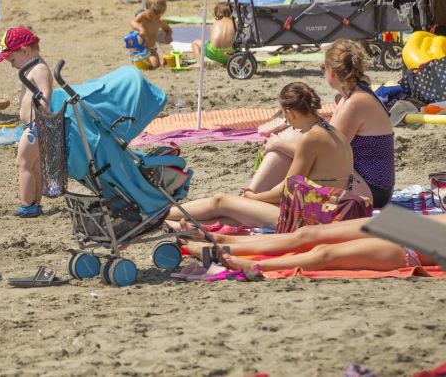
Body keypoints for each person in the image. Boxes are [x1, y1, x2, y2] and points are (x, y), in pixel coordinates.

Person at [165, 82, 356, 231]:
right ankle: (172, 223)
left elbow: (286, 190)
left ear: (290, 112)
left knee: (221, 201)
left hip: (312, 218)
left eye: (284, 115)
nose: (286, 121)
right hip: (330, 212)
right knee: (234, 215)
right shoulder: (333, 131)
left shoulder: (311, 139)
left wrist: (254, 197)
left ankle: (158, 216)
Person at [250, 39, 395, 207]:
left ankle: (252, 197)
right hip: (364, 181)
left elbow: (328, 153)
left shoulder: (355, 103)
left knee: (288, 140)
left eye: (322, 69)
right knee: (292, 136)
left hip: (372, 189)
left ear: (331, 71)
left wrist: (278, 144)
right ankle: (255, 197)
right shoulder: (353, 96)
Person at [181, 215, 445, 274]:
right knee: (307, 234)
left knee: (325, 253)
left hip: (420, 250)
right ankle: (224, 242)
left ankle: (254, 265)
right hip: (414, 226)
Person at [0, 27, 52, 218]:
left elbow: (46, 95)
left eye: (12, 60)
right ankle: (34, 203)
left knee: (23, 163)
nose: (11, 65)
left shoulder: (39, 69)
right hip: (33, 126)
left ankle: (27, 204)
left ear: (25, 50)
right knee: (33, 166)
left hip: (36, 127)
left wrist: (40, 115)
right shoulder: (31, 67)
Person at [130, 0, 172, 70]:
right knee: (141, 66)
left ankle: (157, 62)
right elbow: (133, 22)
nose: (156, 16)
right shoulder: (143, 16)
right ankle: (137, 60)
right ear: (147, 7)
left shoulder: (159, 22)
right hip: (139, 49)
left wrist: (168, 36)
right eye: (154, 13)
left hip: (151, 49)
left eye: (160, 14)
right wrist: (140, 29)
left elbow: (168, 29)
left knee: (156, 66)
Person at [191, 2, 235, 67]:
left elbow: (212, 39)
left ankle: (199, 63)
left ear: (217, 13)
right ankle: (227, 62)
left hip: (213, 53)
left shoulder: (215, 23)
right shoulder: (235, 23)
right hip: (230, 55)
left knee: (195, 43)